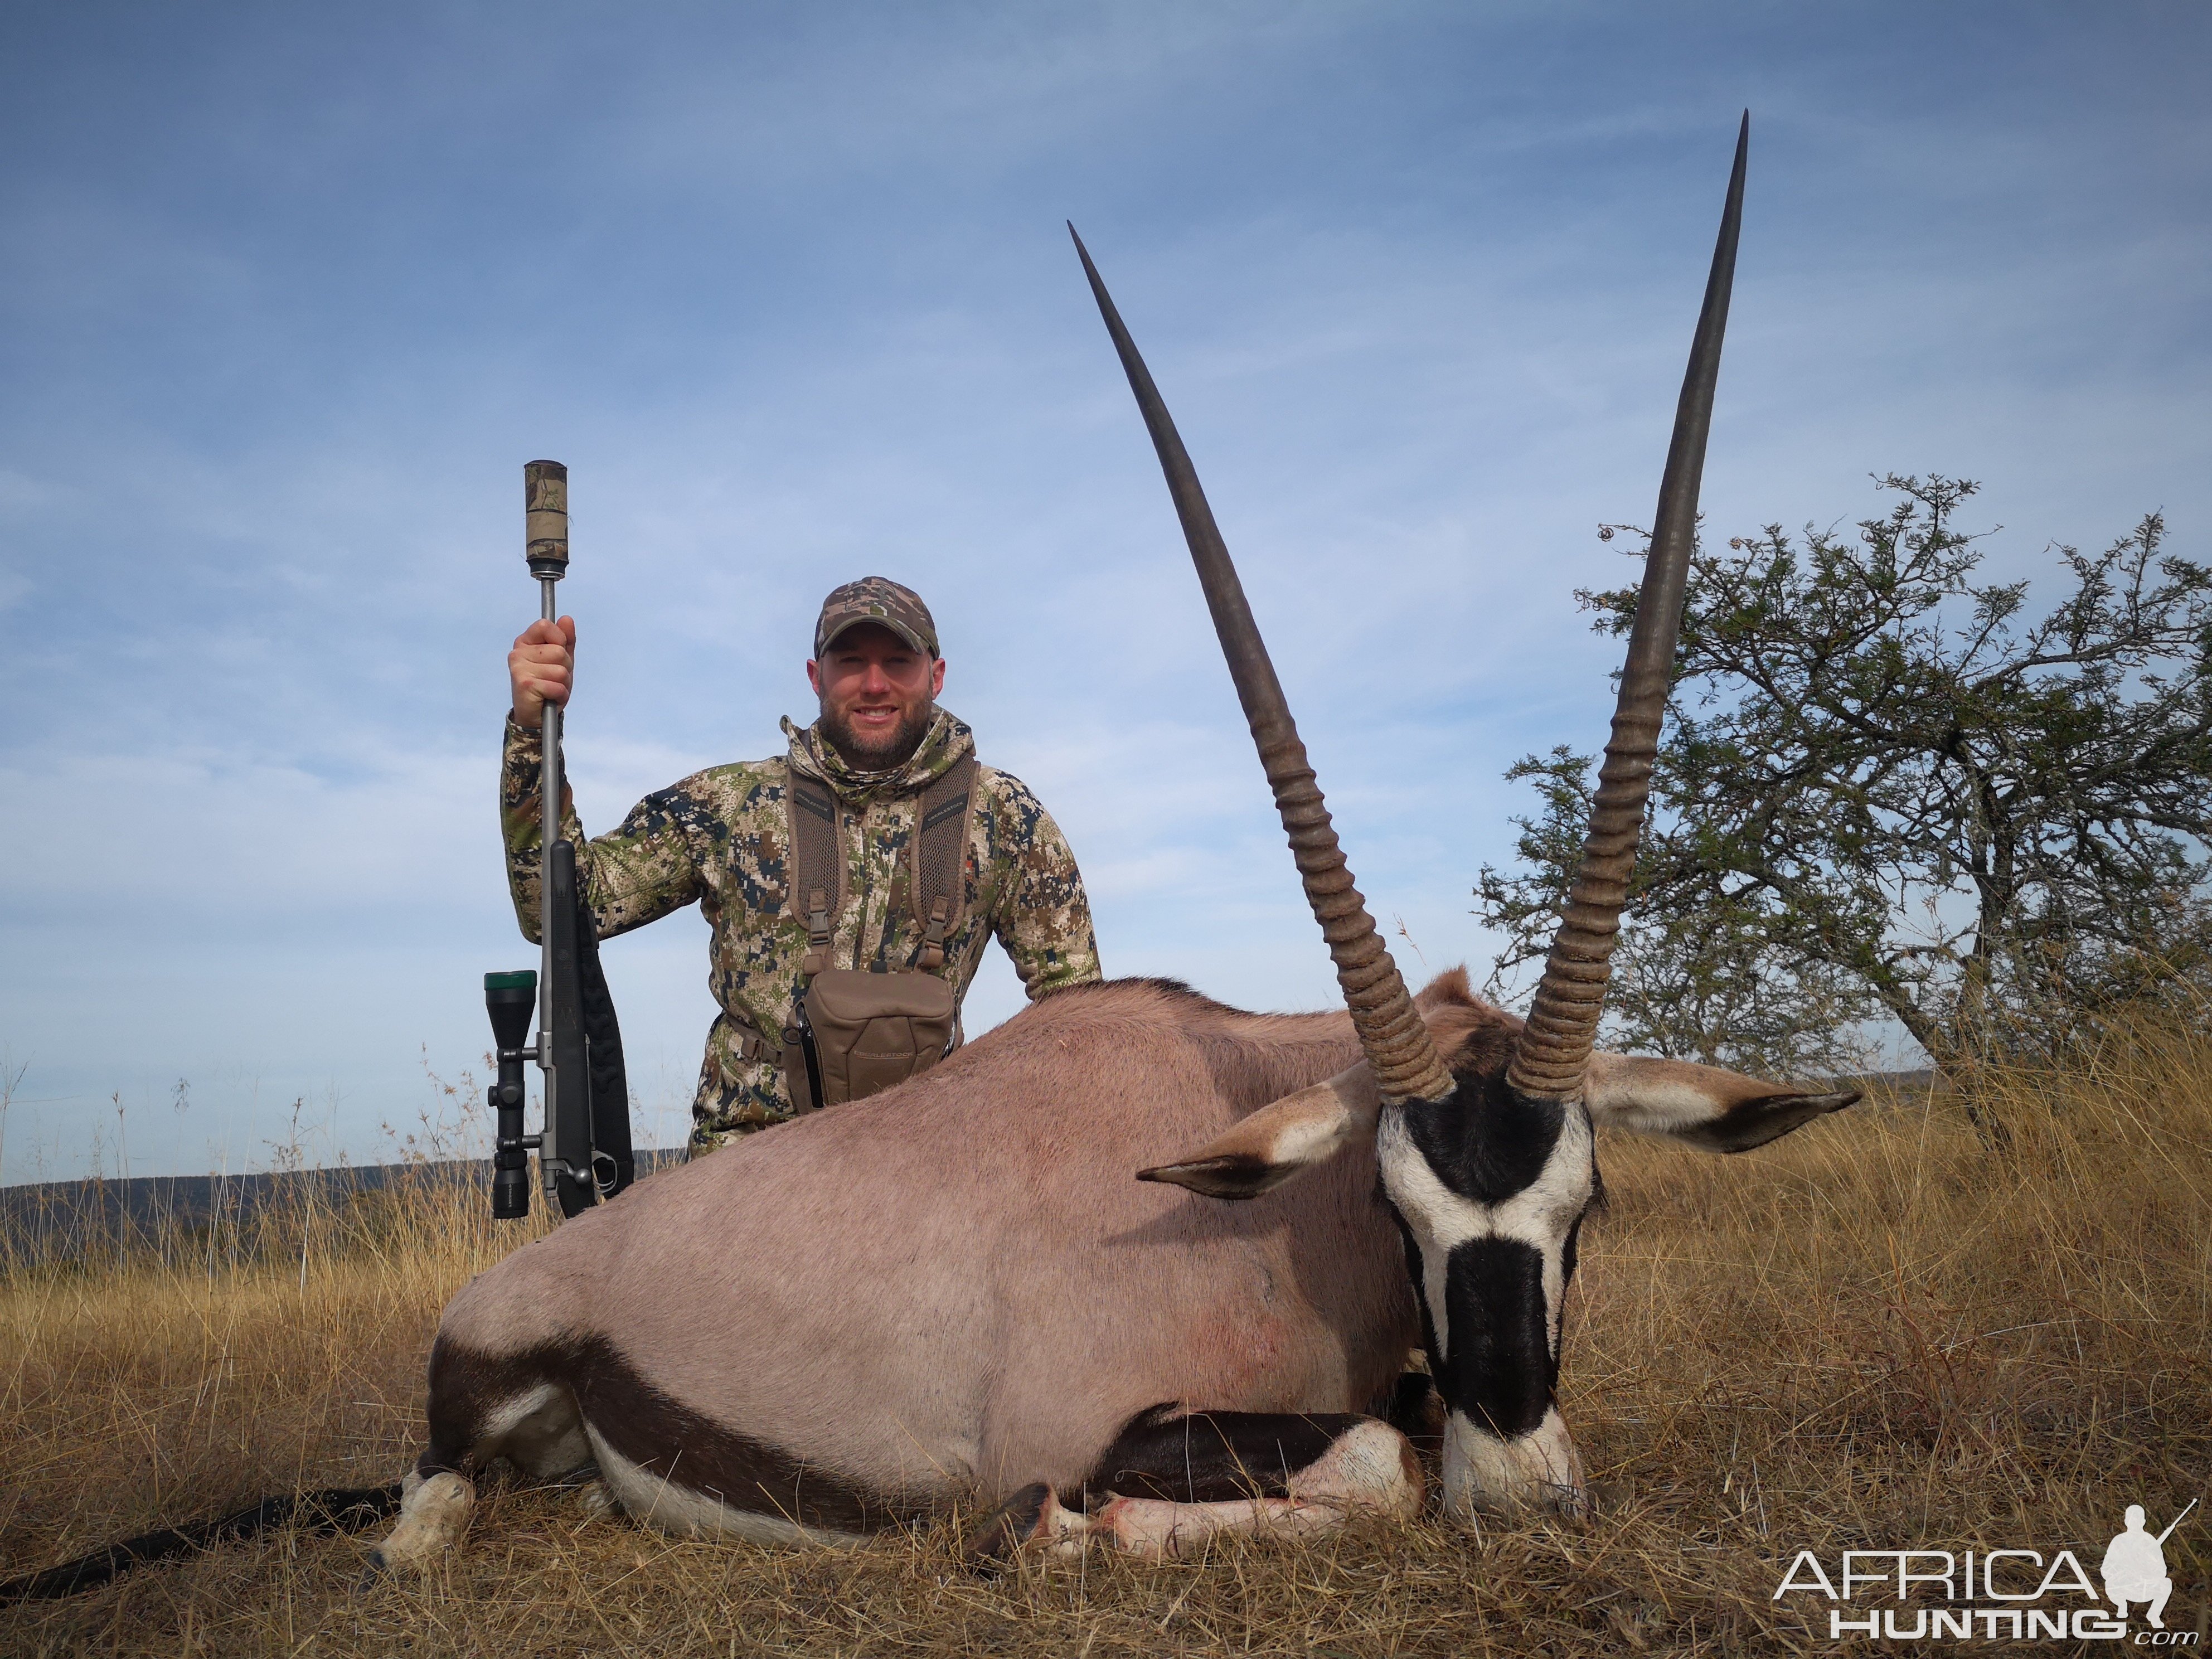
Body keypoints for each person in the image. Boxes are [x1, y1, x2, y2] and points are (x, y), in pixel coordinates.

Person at [502, 576, 1103, 1152]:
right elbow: (557, 910)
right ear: (816, 676)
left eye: (898, 662)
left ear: (936, 675)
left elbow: (1078, 1017)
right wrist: (532, 733)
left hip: (929, 1175)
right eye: (850, 663)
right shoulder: (729, 804)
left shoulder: (1003, 815)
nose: (874, 684)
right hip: (746, 1174)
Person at [2101, 1505, 2174, 1628]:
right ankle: (2122, 1606)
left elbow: (2162, 1570)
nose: (2134, 1521)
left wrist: (2148, 1567)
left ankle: (2154, 1614)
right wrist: (2122, 1570)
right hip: (2124, 1586)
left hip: (2145, 1586)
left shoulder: (2150, 1541)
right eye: (2131, 1518)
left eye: (2138, 1518)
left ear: (2143, 1521)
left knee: (2166, 1584)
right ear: (2125, 1521)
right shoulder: (2119, 1541)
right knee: (2109, 1584)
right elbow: (2106, 1569)